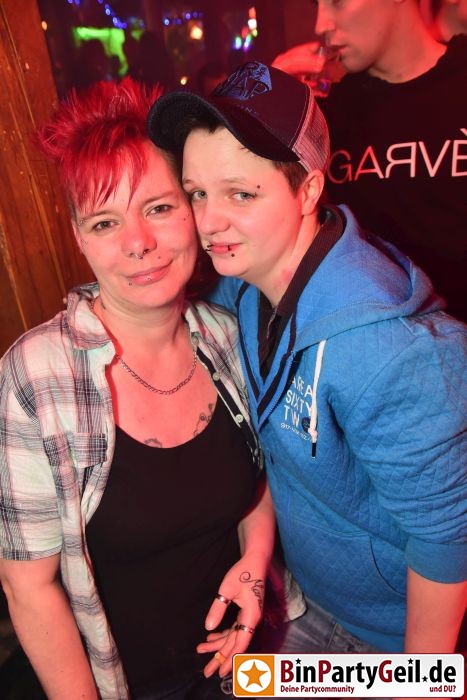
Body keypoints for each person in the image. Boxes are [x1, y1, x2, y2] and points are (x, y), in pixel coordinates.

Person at [148, 60, 467, 656]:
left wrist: (421, 681)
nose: (208, 222)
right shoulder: (245, 285)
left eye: (241, 194)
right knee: (228, 682)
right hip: (297, 590)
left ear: (309, 191)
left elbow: (448, 538)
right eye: (197, 193)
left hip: (385, 637)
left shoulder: (387, 351)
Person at [0, 77, 277, 700]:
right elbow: (28, 586)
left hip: (242, 668)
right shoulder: (36, 376)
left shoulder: (226, 335)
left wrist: (255, 565)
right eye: (105, 222)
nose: (138, 244)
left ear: (193, 211)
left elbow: (258, 479)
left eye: (158, 207)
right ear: (79, 237)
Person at [274, 0, 467, 323]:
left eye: (337, 2)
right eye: (316, 4)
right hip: (370, 338)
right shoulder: (328, 112)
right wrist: (268, 106)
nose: (321, 25)